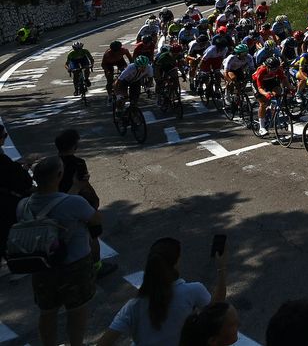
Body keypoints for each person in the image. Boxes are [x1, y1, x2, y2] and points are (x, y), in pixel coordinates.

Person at [19, 156, 102, 346]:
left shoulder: (23, 206)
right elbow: (96, 218)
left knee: (47, 311)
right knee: (77, 310)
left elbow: (55, 204)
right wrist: (79, 187)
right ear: (59, 175)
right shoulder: (74, 203)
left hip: (41, 267)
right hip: (75, 265)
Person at [99, 236, 227, 346]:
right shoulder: (193, 291)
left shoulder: (133, 306)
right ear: (176, 263)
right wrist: (221, 269)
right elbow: (216, 308)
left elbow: (104, 343)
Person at [54, 130, 111, 278]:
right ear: (74, 146)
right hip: (80, 202)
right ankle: (97, 267)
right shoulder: (78, 163)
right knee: (92, 236)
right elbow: (84, 183)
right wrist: (94, 199)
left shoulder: (54, 164)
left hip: (59, 202)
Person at [0, 124, 33, 265]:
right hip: (5, 203)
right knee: (7, 233)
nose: (5, 139)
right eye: (4, 136)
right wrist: (26, 167)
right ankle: (16, 260)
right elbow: (23, 181)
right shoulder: (2, 160)